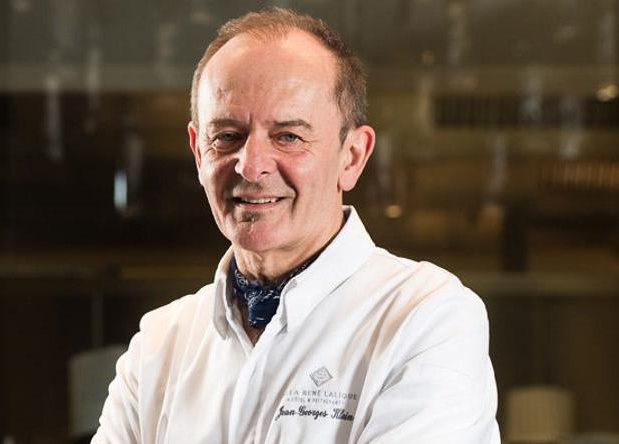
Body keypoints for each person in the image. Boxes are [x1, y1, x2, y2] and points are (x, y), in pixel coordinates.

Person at [92, 7, 500, 444]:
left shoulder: (426, 319)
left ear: (352, 157)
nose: (251, 166)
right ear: (198, 152)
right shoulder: (159, 345)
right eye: (227, 136)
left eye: (288, 136)